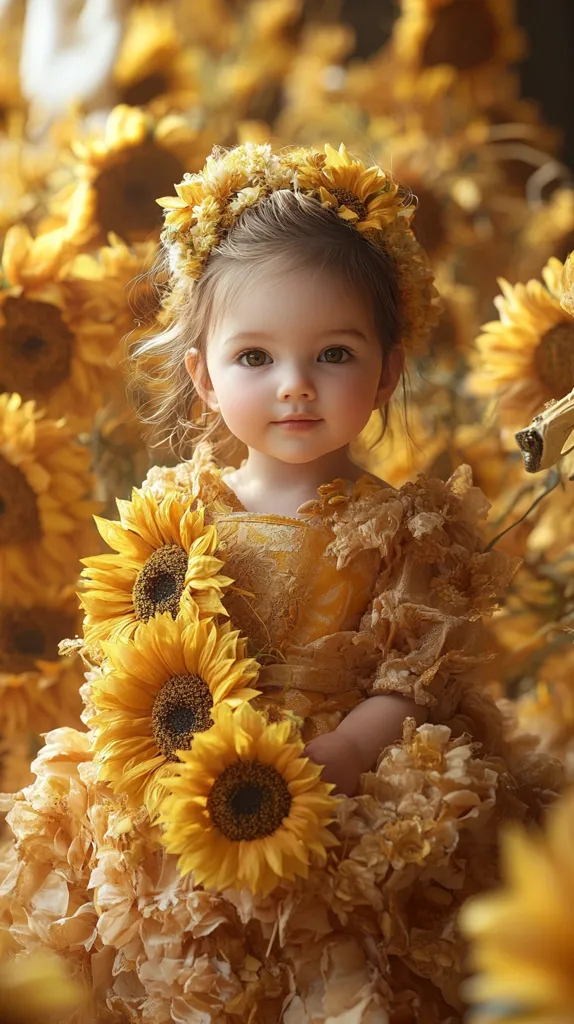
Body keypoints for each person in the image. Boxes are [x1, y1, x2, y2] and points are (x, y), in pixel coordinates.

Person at [0, 142, 561, 1023]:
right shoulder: (177, 516)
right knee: (169, 965)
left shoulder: (405, 525)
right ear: (204, 378)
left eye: (333, 355)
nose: (295, 387)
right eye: (255, 357)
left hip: (346, 781)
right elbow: (135, 659)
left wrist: (334, 759)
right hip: (190, 779)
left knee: (331, 970)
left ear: (387, 372)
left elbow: (412, 679)